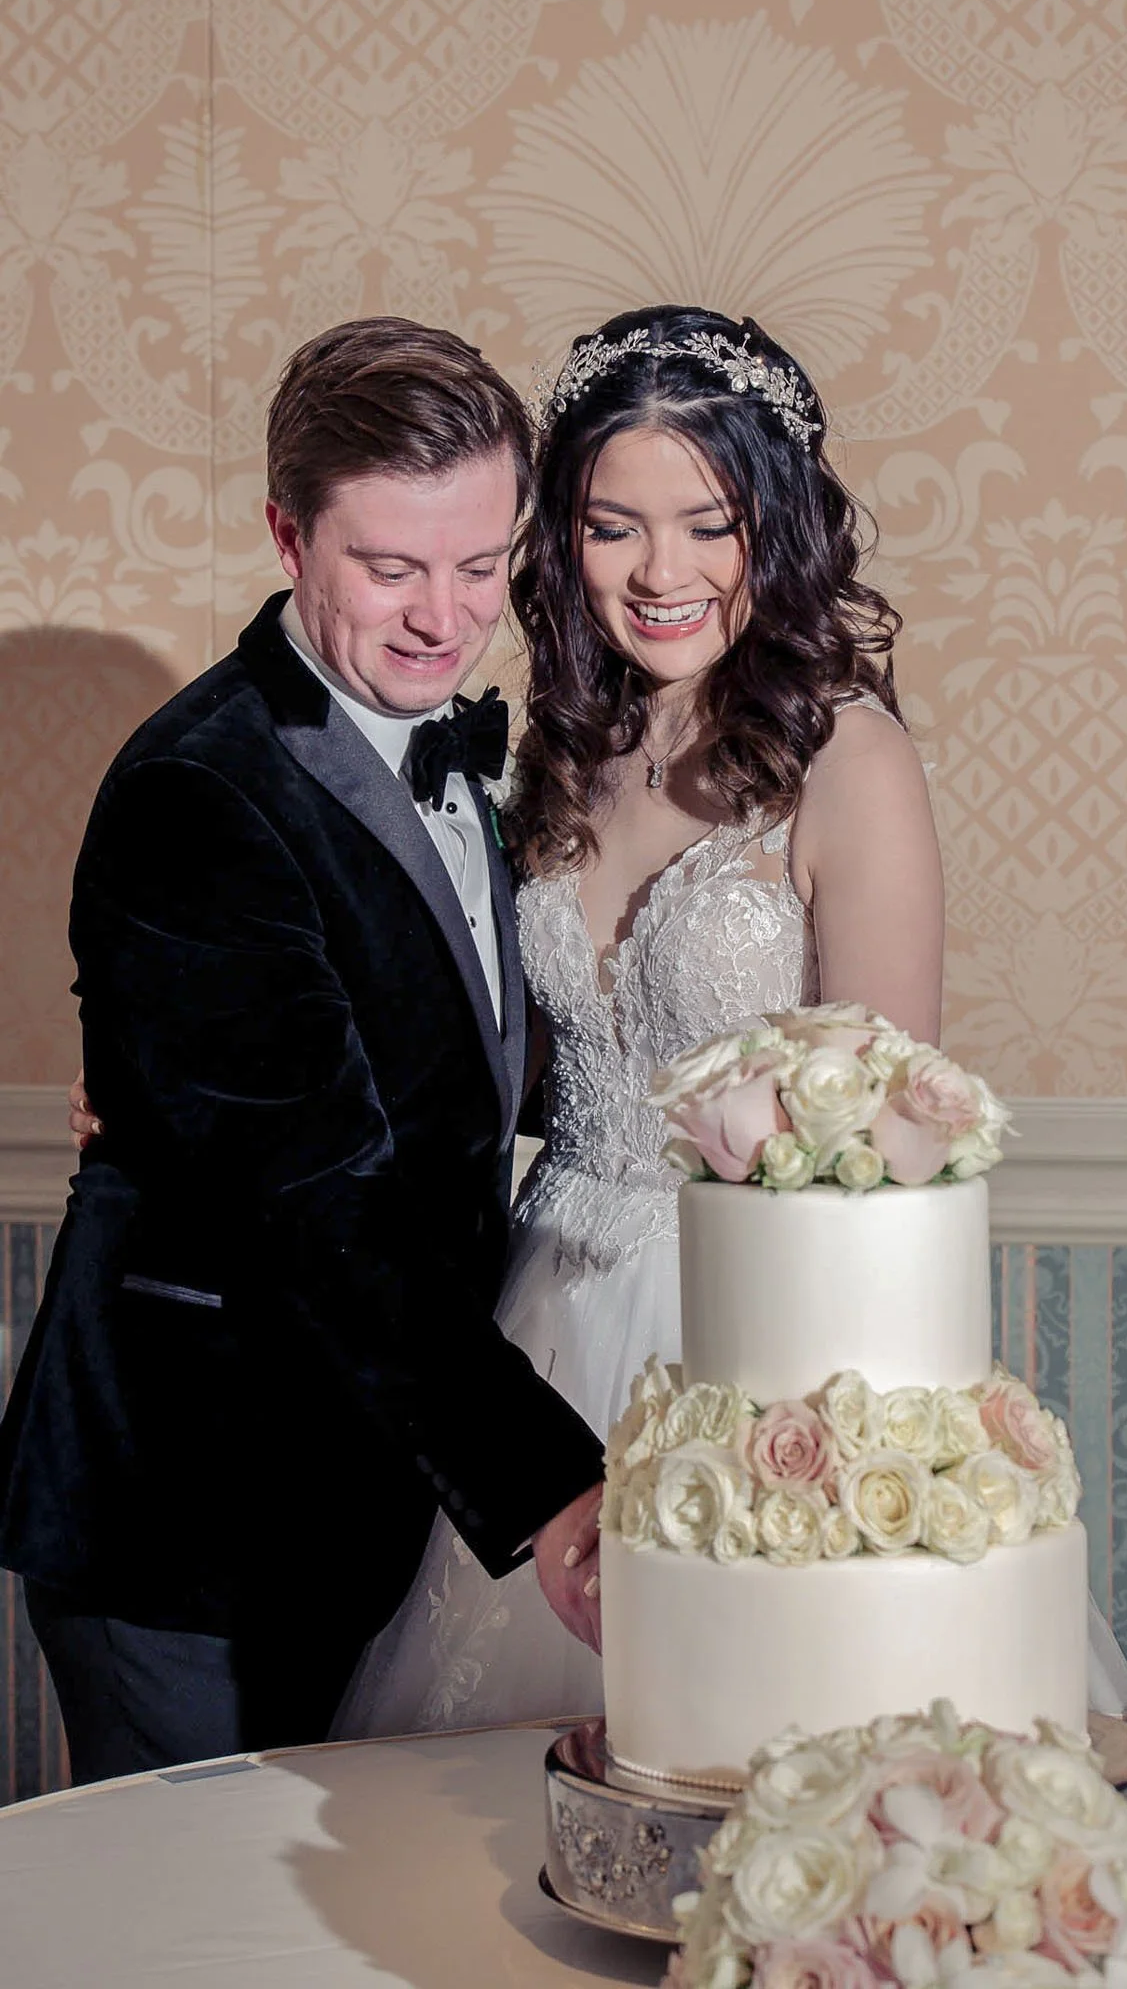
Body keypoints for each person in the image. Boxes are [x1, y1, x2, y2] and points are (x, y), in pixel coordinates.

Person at [0, 318, 606, 1784]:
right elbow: (319, 1196)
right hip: (192, 1506)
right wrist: (553, 1489)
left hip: (370, 1470)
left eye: (480, 566)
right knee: (196, 1928)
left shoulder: (481, 755)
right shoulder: (199, 797)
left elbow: (458, 1065)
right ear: (286, 533)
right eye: (390, 568)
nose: (442, 620)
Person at [331, 304, 948, 1735]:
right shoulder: (556, 746)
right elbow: (480, 1044)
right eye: (614, 526)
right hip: (535, 1306)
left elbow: (887, 1152)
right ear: (562, 537)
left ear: (774, 528)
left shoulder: (846, 762)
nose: (661, 573)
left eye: (708, 524)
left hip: (751, 1325)